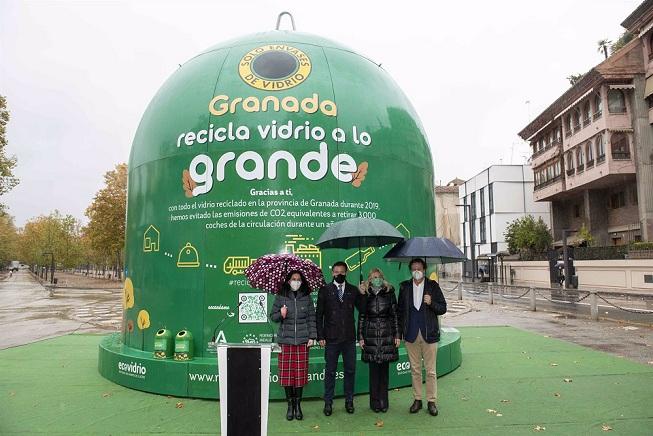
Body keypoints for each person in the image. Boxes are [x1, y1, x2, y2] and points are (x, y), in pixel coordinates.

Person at [397, 258, 447, 416]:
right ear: (410, 270)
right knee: (415, 370)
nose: (416, 271)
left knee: (431, 371)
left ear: (424, 270)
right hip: (411, 335)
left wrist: (431, 302)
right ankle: (417, 399)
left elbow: (443, 308)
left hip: (429, 334)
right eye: (414, 268)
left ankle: (431, 401)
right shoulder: (404, 287)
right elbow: (400, 312)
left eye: (419, 268)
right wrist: (400, 333)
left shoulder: (433, 286)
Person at [270, 270, 317, 421]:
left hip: (302, 342)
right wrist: (281, 314)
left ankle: (298, 405)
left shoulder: (306, 298)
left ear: (302, 282)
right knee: (287, 376)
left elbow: (311, 318)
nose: (296, 281)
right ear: (288, 281)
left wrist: (312, 336)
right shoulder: (281, 296)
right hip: (285, 342)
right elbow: (273, 317)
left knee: (300, 376)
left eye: (298, 279)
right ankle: (290, 406)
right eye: (293, 279)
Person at [316, 261, 360, 416]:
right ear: (332, 273)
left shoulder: (354, 290)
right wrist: (320, 336)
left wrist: (363, 293)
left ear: (346, 272)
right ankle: (328, 402)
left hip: (349, 338)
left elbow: (363, 309)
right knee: (330, 372)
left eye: (342, 272)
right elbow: (318, 315)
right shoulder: (324, 290)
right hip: (331, 339)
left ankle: (349, 401)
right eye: (336, 272)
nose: (339, 274)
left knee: (350, 370)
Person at [357, 268, 400, 413]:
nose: (376, 279)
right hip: (370, 335)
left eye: (379, 276)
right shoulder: (365, 293)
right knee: (374, 372)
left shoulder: (389, 292)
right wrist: (360, 337)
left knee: (384, 372)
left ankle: (384, 401)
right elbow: (362, 316)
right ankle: (374, 403)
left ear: (383, 278)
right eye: (374, 277)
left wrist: (397, 335)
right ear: (369, 279)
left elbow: (395, 315)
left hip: (387, 334)